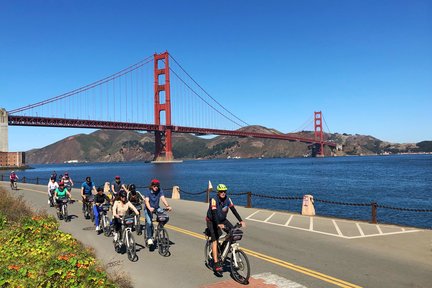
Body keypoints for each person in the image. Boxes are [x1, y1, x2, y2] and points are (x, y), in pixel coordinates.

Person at [205, 183, 246, 272]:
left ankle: (224, 248)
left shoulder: (228, 199)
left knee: (232, 232)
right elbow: (214, 213)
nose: (223, 193)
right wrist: (218, 224)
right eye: (221, 191)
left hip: (223, 219)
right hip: (212, 220)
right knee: (215, 240)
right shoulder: (214, 200)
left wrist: (241, 220)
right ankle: (216, 263)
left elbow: (233, 210)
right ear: (218, 192)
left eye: (224, 191)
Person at [143, 179, 172, 246]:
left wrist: (167, 206)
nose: (156, 187)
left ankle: (158, 228)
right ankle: (149, 238)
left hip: (156, 208)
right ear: (152, 186)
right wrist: (149, 208)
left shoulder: (159, 190)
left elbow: (163, 198)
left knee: (166, 217)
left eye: (157, 186)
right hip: (148, 209)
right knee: (149, 223)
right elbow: (146, 201)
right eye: (155, 186)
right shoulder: (148, 191)